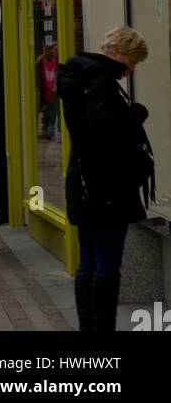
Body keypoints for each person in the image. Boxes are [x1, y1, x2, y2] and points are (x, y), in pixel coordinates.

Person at [58, 26, 153, 333]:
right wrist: (135, 114)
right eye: (132, 60)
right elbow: (106, 133)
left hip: (84, 181)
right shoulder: (101, 82)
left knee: (88, 261)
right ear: (115, 51)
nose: (131, 69)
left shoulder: (80, 76)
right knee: (107, 266)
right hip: (108, 188)